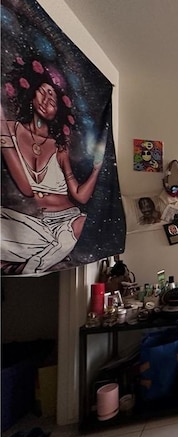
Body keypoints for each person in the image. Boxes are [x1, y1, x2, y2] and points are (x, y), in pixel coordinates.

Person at [1, 57, 104, 275]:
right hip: (35, 224)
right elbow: (26, 188)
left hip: (67, 222)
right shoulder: (8, 129)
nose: (48, 98)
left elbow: (80, 196)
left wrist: (96, 169)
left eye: (54, 98)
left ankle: (23, 265)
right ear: (32, 94)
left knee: (80, 223)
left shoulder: (60, 147)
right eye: (44, 91)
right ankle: (32, 259)